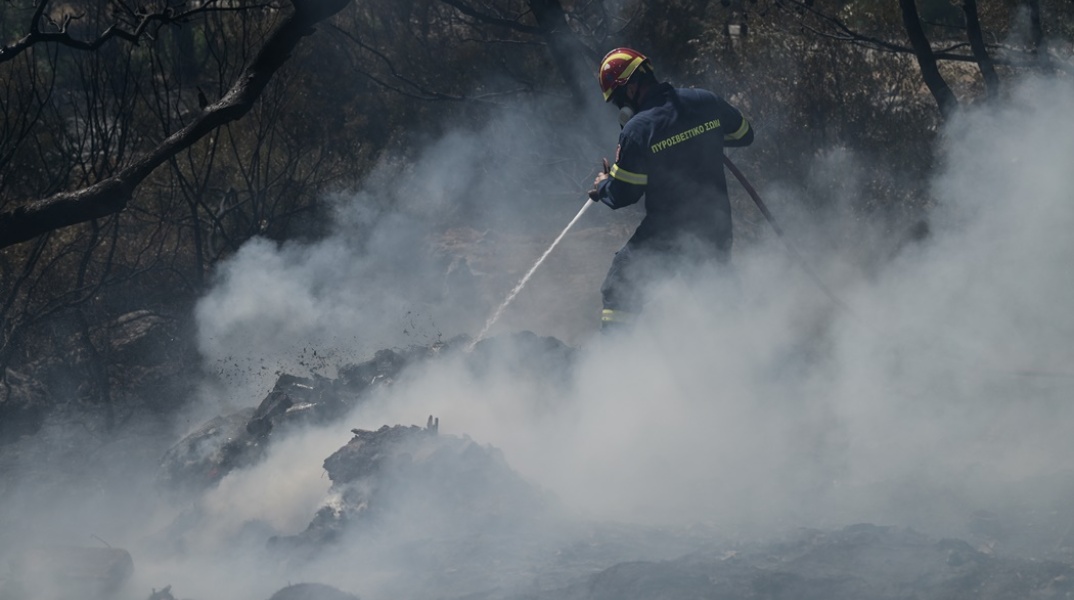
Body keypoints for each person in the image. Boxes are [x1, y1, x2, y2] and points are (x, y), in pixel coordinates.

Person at [589, 47, 754, 330]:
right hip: (716, 225)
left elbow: (624, 193)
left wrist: (604, 185)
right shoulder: (703, 99)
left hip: (667, 233)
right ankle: (746, 358)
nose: (620, 108)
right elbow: (744, 135)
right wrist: (701, 139)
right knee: (716, 296)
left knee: (620, 288)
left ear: (629, 89)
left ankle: (616, 362)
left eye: (617, 100)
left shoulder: (638, 129)